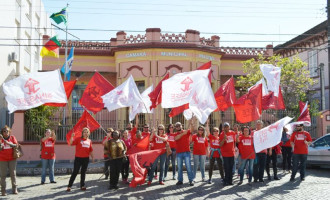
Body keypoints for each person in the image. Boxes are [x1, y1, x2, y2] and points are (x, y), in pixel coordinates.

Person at [67, 127, 94, 192]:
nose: (85, 133)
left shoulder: (89, 141)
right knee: (75, 172)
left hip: (86, 159)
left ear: (88, 133)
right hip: (78, 158)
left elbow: (91, 150)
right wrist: (71, 137)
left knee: (83, 172)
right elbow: (71, 143)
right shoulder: (78, 139)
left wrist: (92, 158)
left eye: (87, 132)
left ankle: (82, 185)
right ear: (82, 133)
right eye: (84, 132)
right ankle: (69, 186)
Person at [174, 121, 194, 186]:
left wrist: (191, 124)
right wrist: (183, 133)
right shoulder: (175, 134)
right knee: (179, 168)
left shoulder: (186, 131)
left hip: (186, 152)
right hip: (179, 153)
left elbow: (192, 130)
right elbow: (176, 138)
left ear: (181, 126)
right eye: (176, 126)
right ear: (175, 128)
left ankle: (191, 180)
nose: (178, 127)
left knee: (188, 167)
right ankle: (180, 180)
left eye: (179, 125)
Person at [0, 125, 18, 196]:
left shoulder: (12, 137)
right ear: (2, 132)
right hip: (2, 159)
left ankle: (14, 189)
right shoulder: (0, 139)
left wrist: (6, 142)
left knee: (13, 174)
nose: (5, 133)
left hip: (12, 159)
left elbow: (15, 145)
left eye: (7, 131)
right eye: (4, 131)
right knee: (3, 175)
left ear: (9, 132)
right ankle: (3, 191)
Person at [219, 122, 236, 186]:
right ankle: (226, 180)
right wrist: (224, 139)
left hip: (232, 153)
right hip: (225, 154)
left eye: (227, 126)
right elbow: (220, 145)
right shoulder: (221, 134)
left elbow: (234, 142)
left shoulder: (232, 133)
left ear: (229, 127)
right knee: (226, 167)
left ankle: (230, 181)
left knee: (231, 168)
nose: (226, 128)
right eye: (225, 127)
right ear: (223, 128)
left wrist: (234, 149)